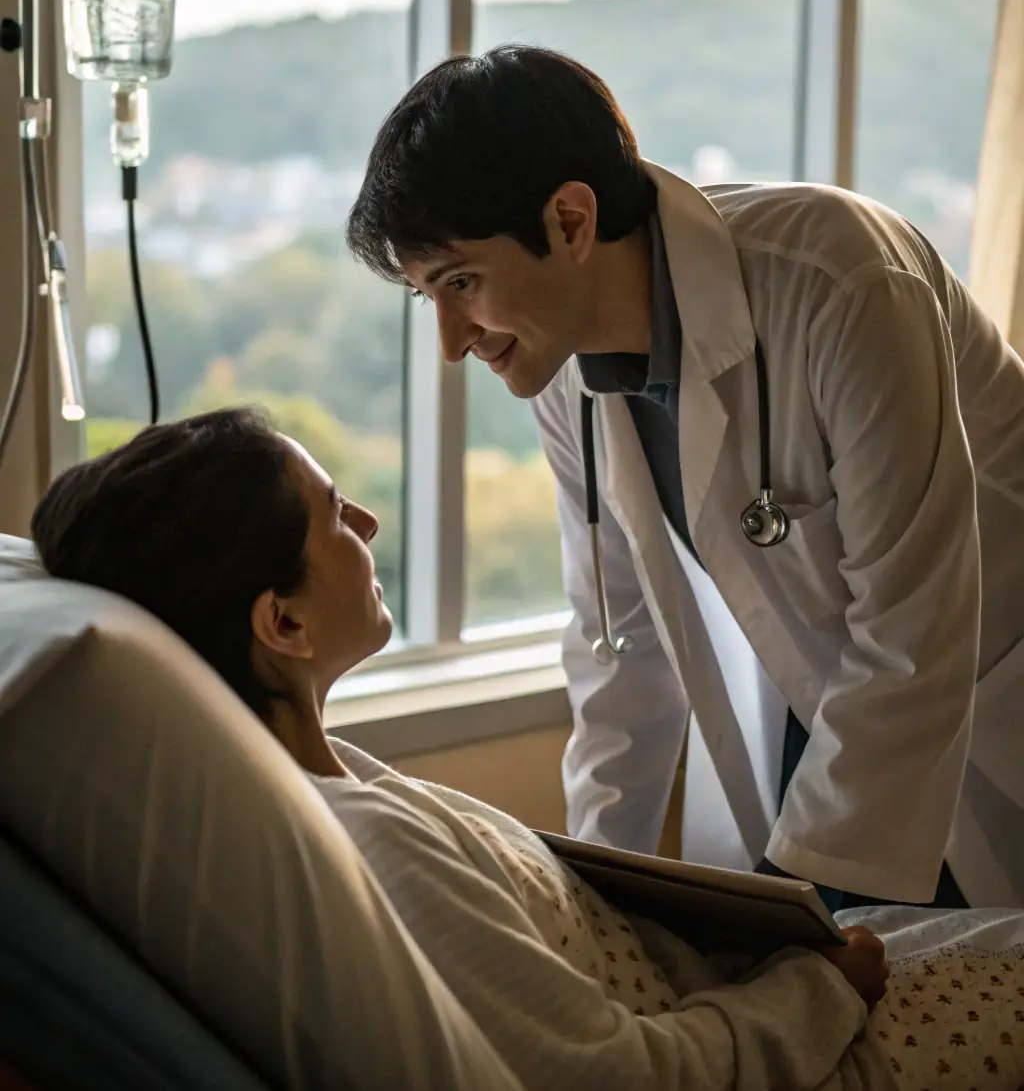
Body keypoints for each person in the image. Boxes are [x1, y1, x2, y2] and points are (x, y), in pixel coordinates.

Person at [30, 409, 1024, 1091]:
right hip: (831, 1052)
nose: (368, 523)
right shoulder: (375, 852)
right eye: (335, 514)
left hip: (756, 994)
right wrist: (816, 991)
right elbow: (612, 1080)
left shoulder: (342, 784)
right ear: (281, 624)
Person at [345, 44, 1024, 915]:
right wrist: (589, 905)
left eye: (462, 282)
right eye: (426, 296)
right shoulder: (564, 377)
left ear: (571, 220)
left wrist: (798, 912)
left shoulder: (843, 283)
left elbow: (914, 627)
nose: (449, 340)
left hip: (988, 703)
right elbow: (617, 648)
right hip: (842, 720)